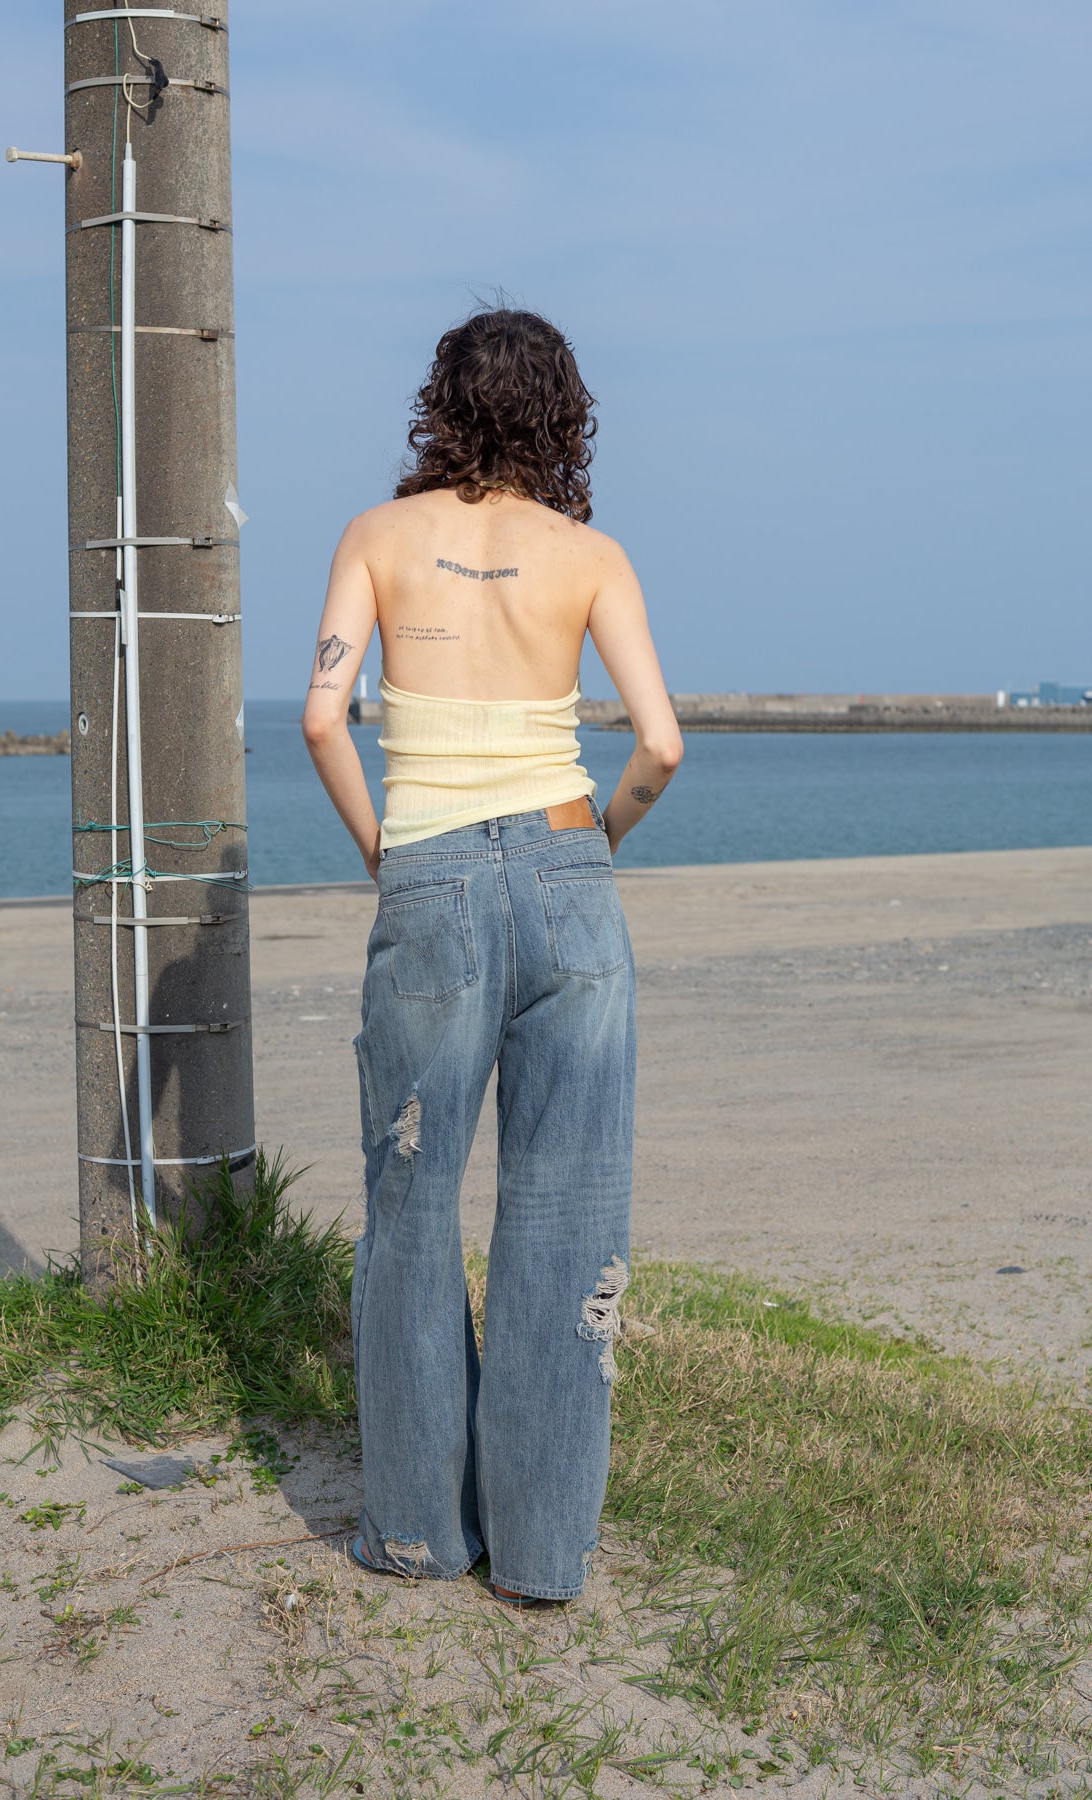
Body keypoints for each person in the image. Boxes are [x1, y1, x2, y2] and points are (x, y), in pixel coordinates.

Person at [302, 308, 682, 1604]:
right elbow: (660, 744)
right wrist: (595, 851)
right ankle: (540, 1556)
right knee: (566, 1218)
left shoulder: (377, 536)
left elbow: (322, 716)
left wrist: (383, 852)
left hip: (430, 877)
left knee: (411, 1212)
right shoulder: (591, 555)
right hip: (573, 877)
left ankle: (414, 1532)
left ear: (439, 406)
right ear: (562, 413)